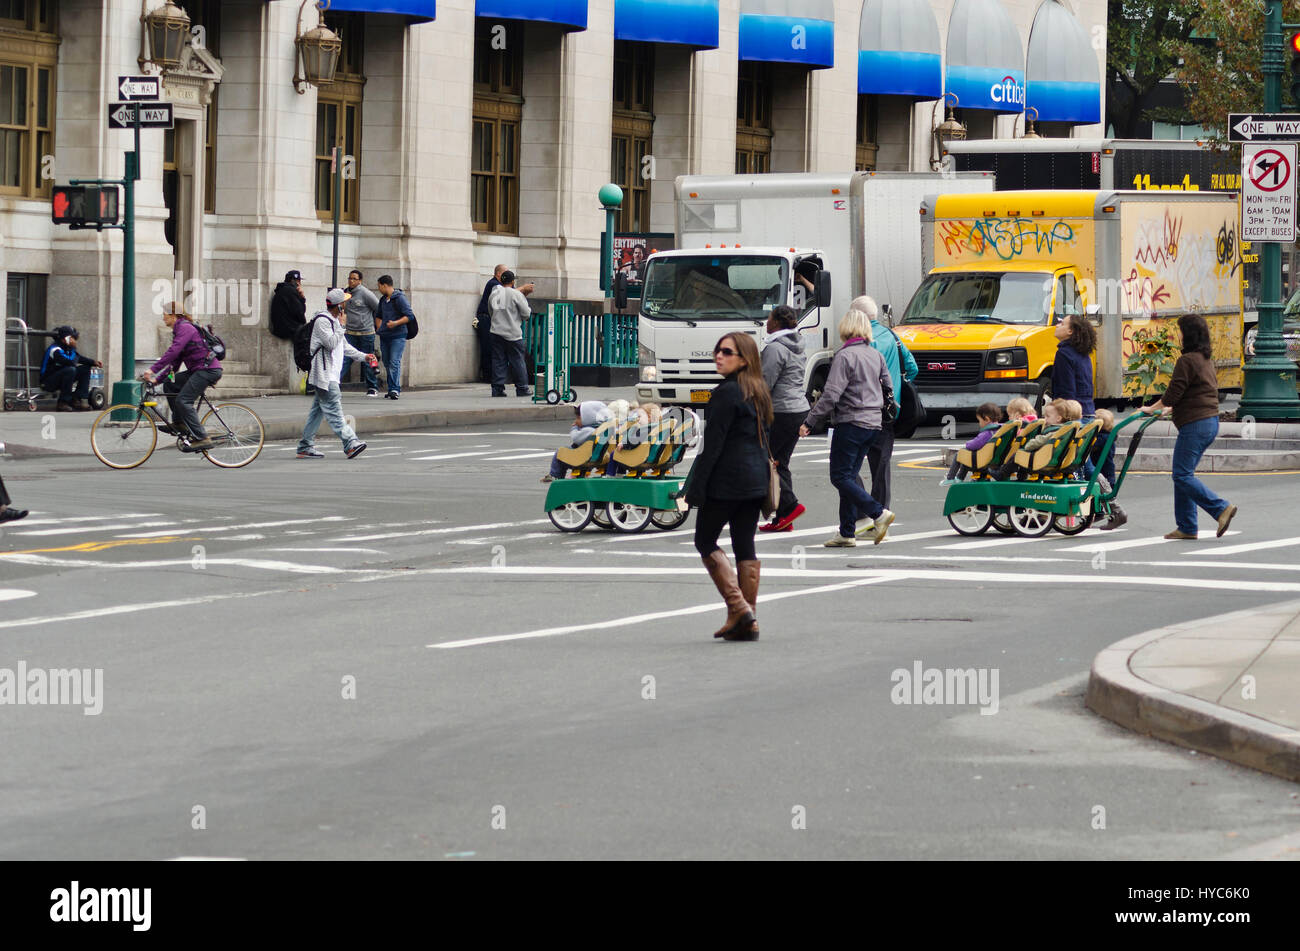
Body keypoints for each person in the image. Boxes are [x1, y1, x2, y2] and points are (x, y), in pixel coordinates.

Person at [686, 333, 772, 642]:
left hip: (727, 482)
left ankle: (740, 609)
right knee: (744, 544)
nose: (718, 357)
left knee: (705, 539)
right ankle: (746, 620)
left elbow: (712, 446)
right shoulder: (757, 390)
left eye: (726, 352)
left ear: (744, 359)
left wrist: (694, 489)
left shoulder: (725, 393)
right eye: (717, 351)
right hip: (754, 482)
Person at [800, 310, 895, 548]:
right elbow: (888, 386)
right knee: (849, 477)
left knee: (840, 476)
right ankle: (846, 532)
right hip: (874, 423)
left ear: (846, 328)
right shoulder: (875, 355)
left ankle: (878, 513)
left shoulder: (844, 356)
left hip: (851, 422)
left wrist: (810, 421)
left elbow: (831, 394)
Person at [1140, 313, 1237, 540]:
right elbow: (1197, 392)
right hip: (1209, 422)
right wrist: (1170, 409)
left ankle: (1220, 508)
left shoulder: (1187, 360)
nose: (1178, 335)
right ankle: (1187, 526)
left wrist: (1153, 407)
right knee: (1184, 474)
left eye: (1181, 331)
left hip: (1196, 425)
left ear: (1188, 335)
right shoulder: (1204, 359)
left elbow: (1174, 392)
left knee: (1181, 475)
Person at [296, 288, 379, 460]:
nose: (347, 304)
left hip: (330, 375)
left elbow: (344, 347)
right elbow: (331, 343)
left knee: (317, 412)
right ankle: (351, 443)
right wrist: (342, 326)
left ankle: (305, 446)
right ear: (339, 306)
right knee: (334, 410)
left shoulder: (334, 322)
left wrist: (364, 356)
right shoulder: (323, 321)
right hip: (325, 376)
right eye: (345, 302)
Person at [141, 303, 223, 452]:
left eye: (165, 314)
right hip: (197, 370)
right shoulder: (179, 330)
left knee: (183, 400)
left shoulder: (185, 328)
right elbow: (175, 363)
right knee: (170, 385)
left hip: (208, 370)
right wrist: (158, 379)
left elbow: (173, 351)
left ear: (173, 315)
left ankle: (202, 438)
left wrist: (153, 369)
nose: (163, 317)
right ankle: (180, 423)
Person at [861, 295, 918, 509]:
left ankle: (860, 508)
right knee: (881, 464)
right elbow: (912, 368)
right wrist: (896, 387)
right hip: (889, 410)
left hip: (862, 410)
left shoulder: (862, 340)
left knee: (846, 468)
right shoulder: (892, 336)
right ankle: (881, 510)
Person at [758, 304, 809, 532]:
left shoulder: (775, 348)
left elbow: (765, 383)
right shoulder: (797, 344)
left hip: (781, 410)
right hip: (798, 408)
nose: (766, 323)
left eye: (769, 319)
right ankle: (783, 518)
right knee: (781, 461)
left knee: (772, 463)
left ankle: (789, 506)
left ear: (777, 323)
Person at [990, 398, 1077, 481]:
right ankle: (1021, 477)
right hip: (1054, 462)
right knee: (1025, 456)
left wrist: (1028, 445)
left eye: (1047, 416)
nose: (1045, 418)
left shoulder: (1054, 432)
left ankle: (1001, 474)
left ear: (1058, 418)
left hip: (1043, 464)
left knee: (1018, 455)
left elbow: (1038, 442)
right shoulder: (1067, 431)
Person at [541, 400, 614, 482]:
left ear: (589, 419)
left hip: (584, 459)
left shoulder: (589, 430)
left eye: (578, 418)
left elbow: (576, 438)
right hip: (599, 459)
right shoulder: (603, 429)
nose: (576, 420)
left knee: (560, 452)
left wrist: (575, 428)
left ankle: (555, 475)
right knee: (579, 451)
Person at [488, 270, 533, 397]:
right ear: (513, 281)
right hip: (513, 333)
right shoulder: (516, 294)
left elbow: (490, 310)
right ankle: (522, 388)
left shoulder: (494, 293)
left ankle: (497, 389)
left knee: (498, 360)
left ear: (501, 280)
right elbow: (526, 313)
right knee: (517, 360)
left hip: (496, 331)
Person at [40, 326, 102, 411]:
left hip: (62, 377)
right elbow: (71, 361)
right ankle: (63, 402)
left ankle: (77, 399)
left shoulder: (68, 348)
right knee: (71, 369)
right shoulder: (55, 350)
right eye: (72, 337)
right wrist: (74, 348)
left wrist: (93, 362)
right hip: (48, 382)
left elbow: (78, 358)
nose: (74, 340)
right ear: (66, 338)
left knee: (85, 369)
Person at [341, 269, 381, 396]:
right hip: (350, 333)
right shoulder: (345, 293)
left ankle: (372, 387)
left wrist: (376, 325)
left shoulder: (365, 293)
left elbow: (378, 308)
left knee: (368, 360)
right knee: (345, 359)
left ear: (360, 281)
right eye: (350, 278)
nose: (351, 281)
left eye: (354, 279)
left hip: (366, 333)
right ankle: (334, 383)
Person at [941, 402, 1002, 485]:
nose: (979, 423)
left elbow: (973, 445)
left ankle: (950, 478)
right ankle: (959, 478)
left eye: (979, 421)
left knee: (960, 454)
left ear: (987, 419)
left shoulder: (987, 433)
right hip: (995, 460)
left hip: (982, 462)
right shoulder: (1000, 430)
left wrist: (968, 443)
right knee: (968, 457)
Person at [375, 275, 414, 400]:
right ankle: (391, 387)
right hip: (385, 335)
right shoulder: (382, 300)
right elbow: (378, 315)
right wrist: (379, 328)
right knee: (386, 362)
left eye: (379, 286)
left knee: (394, 362)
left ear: (384, 285)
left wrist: (395, 323)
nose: (379, 289)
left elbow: (409, 315)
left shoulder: (400, 298)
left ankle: (394, 389)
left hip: (398, 335)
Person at [474, 265, 506, 383]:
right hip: (485, 318)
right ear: (498, 274)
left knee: (493, 348)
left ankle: (492, 375)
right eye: (505, 273)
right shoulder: (494, 284)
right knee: (487, 348)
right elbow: (505, 294)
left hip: (492, 319)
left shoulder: (501, 284)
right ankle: (487, 375)